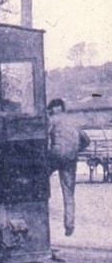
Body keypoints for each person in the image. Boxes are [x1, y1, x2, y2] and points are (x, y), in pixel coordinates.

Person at [47, 98, 90, 237]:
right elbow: (86, 140)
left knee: (40, 181)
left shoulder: (51, 119)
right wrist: (77, 149)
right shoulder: (73, 120)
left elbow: (43, 136)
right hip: (71, 158)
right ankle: (69, 225)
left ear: (52, 109)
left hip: (55, 155)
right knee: (68, 192)